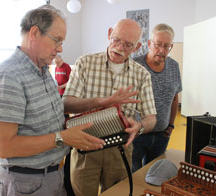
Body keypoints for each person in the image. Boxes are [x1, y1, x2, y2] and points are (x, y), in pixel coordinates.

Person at [0, 5, 104, 196]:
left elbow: (50, 114)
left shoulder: (42, 71)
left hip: (53, 176)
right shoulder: (8, 76)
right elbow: (5, 146)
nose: (60, 48)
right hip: (26, 183)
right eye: (57, 40)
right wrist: (62, 137)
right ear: (35, 33)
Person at [62, 18, 157, 196]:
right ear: (109, 34)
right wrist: (102, 102)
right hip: (85, 145)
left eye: (128, 45)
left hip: (120, 148)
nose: (120, 47)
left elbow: (151, 118)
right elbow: (66, 104)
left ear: (137, 48)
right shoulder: (85, 63)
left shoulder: (141, 75)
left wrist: (140, 126)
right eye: (116, 40)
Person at [132, 23, 182, 172]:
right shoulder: (135, 65)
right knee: (133, 175)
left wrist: (171, 126)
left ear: (171, 47)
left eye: (166, 46)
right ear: (149, 44)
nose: (162, 50)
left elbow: (174, 98)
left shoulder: (174, 66)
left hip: (162, 135)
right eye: (158, 44)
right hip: (137, 136)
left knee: (155, 175)